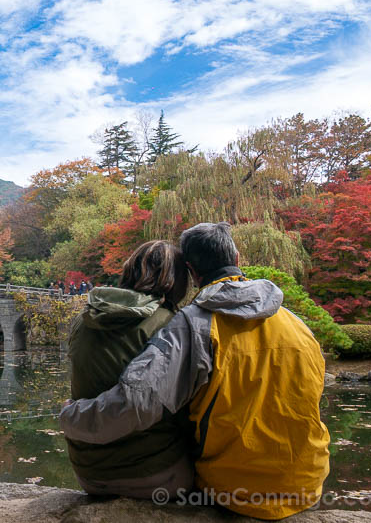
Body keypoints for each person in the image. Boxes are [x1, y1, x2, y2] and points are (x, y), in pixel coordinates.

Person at [60, 222, 330, 519]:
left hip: (233, 490)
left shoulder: (193, 324)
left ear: (191, 271)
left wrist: (74, 416)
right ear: (237, 258)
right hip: (307, 484)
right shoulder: (297, 323)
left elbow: (138, 402)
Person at [66, 240, 192, 500]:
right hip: (156, 475)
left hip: (87, 473)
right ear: (178, 281)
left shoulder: (84, 319)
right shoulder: (171, 325)